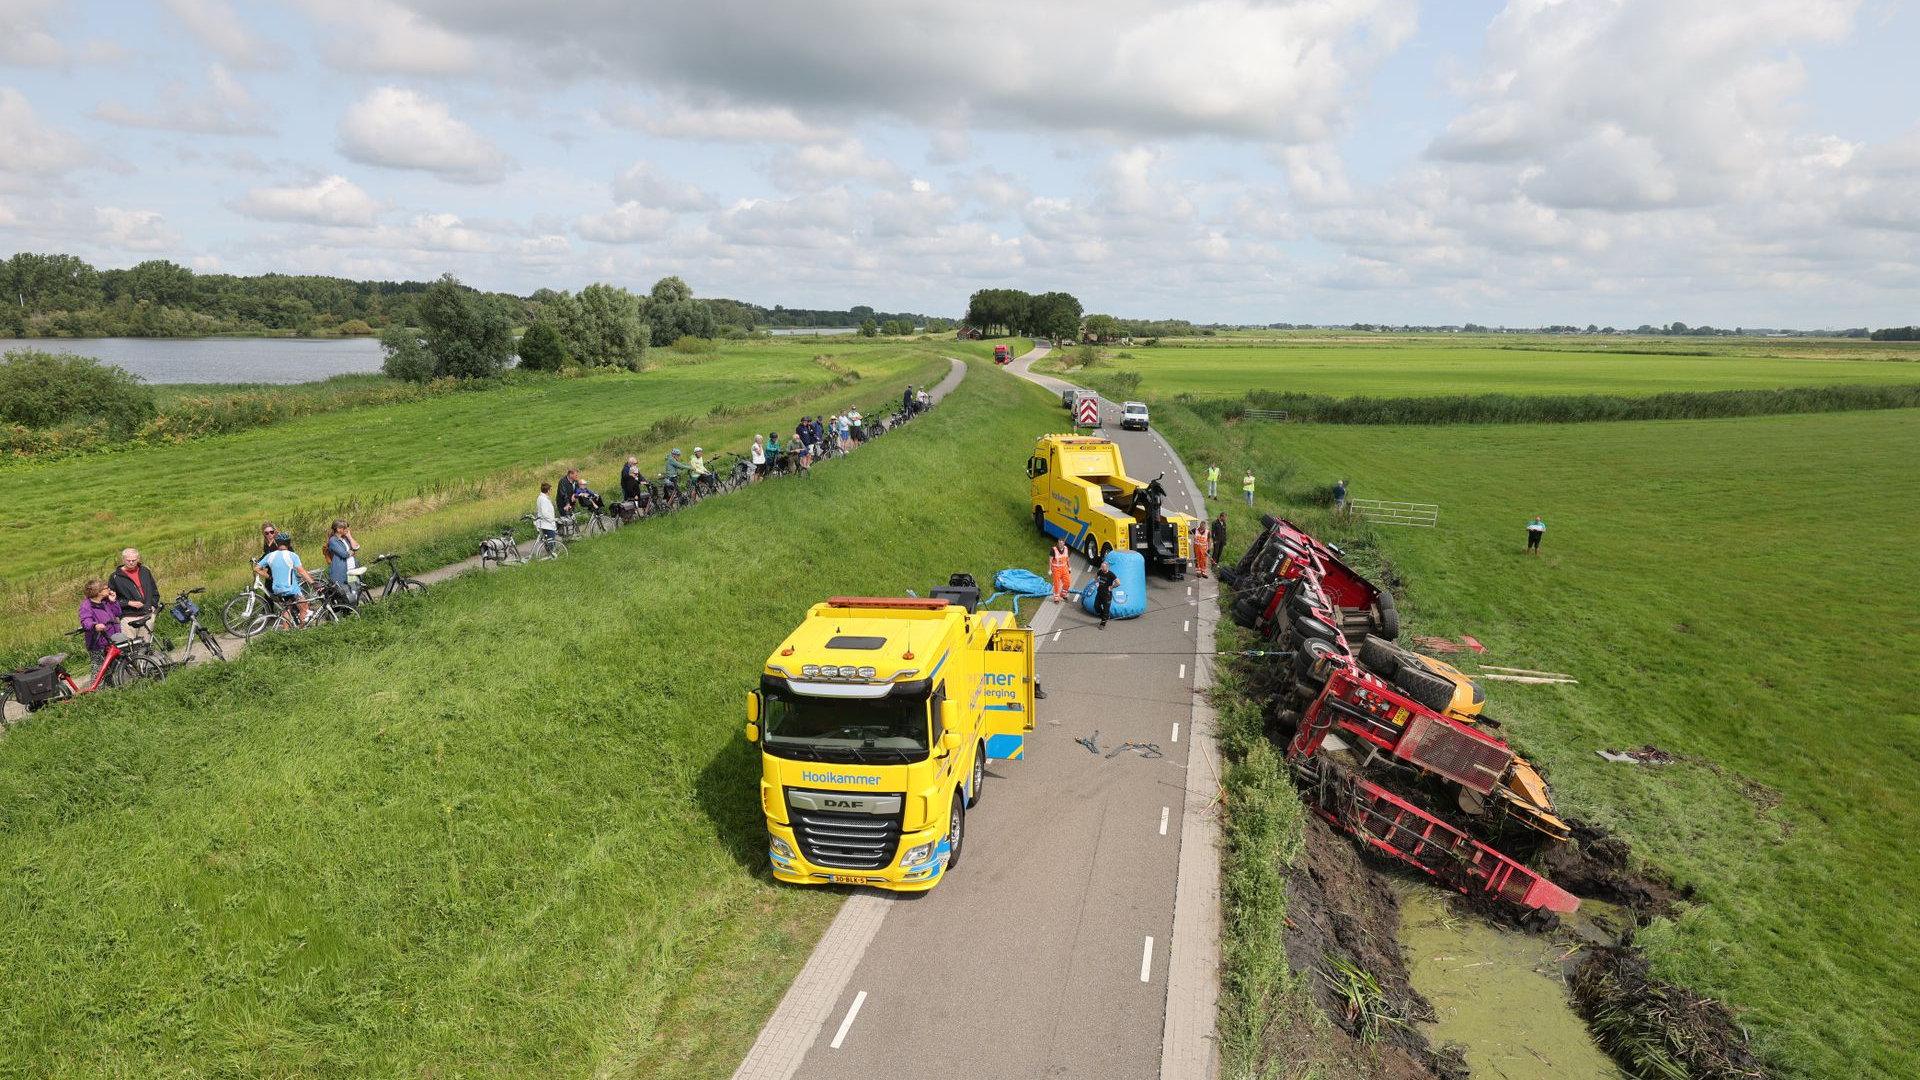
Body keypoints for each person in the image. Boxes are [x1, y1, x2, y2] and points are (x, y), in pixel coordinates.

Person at [255, 533, 315, 627]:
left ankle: (285, 631)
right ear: (289, 544)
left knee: (287, 609)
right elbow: (302, 572)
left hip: (277, 589)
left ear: (276, 543)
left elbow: (257, 569)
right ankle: (301, 630)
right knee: (305, 607)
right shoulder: (292, 555)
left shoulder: (270, 555)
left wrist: (269, 577)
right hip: (291, 589)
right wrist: (313, 583)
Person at [108, 547, 159, 644]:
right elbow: (111, 600)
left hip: (147, 615)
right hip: (128, 617)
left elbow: (154, 591)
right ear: (123, 559)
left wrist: (153, 605)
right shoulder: (115, 577)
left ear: (138, 558)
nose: (131, 563)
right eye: (128, 560)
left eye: (134, 560)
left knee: (146, 646)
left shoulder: (145, 571)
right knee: (130, 647)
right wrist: (129, 603)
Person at [78, 579, 123, 669]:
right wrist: (94, 626)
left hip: (112, 639)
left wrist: (113, 601)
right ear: (98, 592)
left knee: (116, 667)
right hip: (98, 643)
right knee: (99, 669)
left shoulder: (106, 602)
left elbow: (118, 613)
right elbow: (86, 621)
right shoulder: (86, 605)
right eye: (106, 588)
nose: (109, 590)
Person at [325, 519, 360, 596]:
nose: (348, 529)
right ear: (338, 529)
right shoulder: (333, 540)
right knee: (345, 593)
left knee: (355, 591)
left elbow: (356, 547)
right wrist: (351, 552)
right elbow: (344, 554)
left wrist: (349, 537)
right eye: (345, 528)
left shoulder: (345, 538)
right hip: (342, 571)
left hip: (353, 568)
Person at [1093, 557, 1118, 629]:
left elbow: (1118, 583)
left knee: (1106, 609)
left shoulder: (1111, 574)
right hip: (1099, 593)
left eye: (1103, 567)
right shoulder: (1100, 571)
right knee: (1096, 606)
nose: (1102, 568)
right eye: (1101, 567)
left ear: (1107, 567)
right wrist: (1096, 582)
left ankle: (1103, 624)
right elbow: (1095, 575)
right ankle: (1104, 616)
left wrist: (1111, 587)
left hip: (1107, 595)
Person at [534, 483, 559, 554]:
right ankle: (551, 554)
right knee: (551, 540)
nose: (551, 491)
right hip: (547, 524)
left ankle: (550, 554)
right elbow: (545, 513)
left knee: (548, 541)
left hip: (546, 523)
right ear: (548, 490)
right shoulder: (543, 499)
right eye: (550, 489)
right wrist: (552, 519)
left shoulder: (542, 498)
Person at [1048, 538, 1072, 603]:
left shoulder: (1066, 548)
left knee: (1068, 582)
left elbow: (1067, 559)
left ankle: (1063, 594)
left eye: (1061, 543)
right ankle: (1056, 598)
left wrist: (1069, 567)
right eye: (1059, 543)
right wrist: (1050, 569)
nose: (1059, 544)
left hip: (1064, 568)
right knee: (1057, 584)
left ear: (1064, 543)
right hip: (1056, 569)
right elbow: (1050, 560)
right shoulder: (1053, 550)